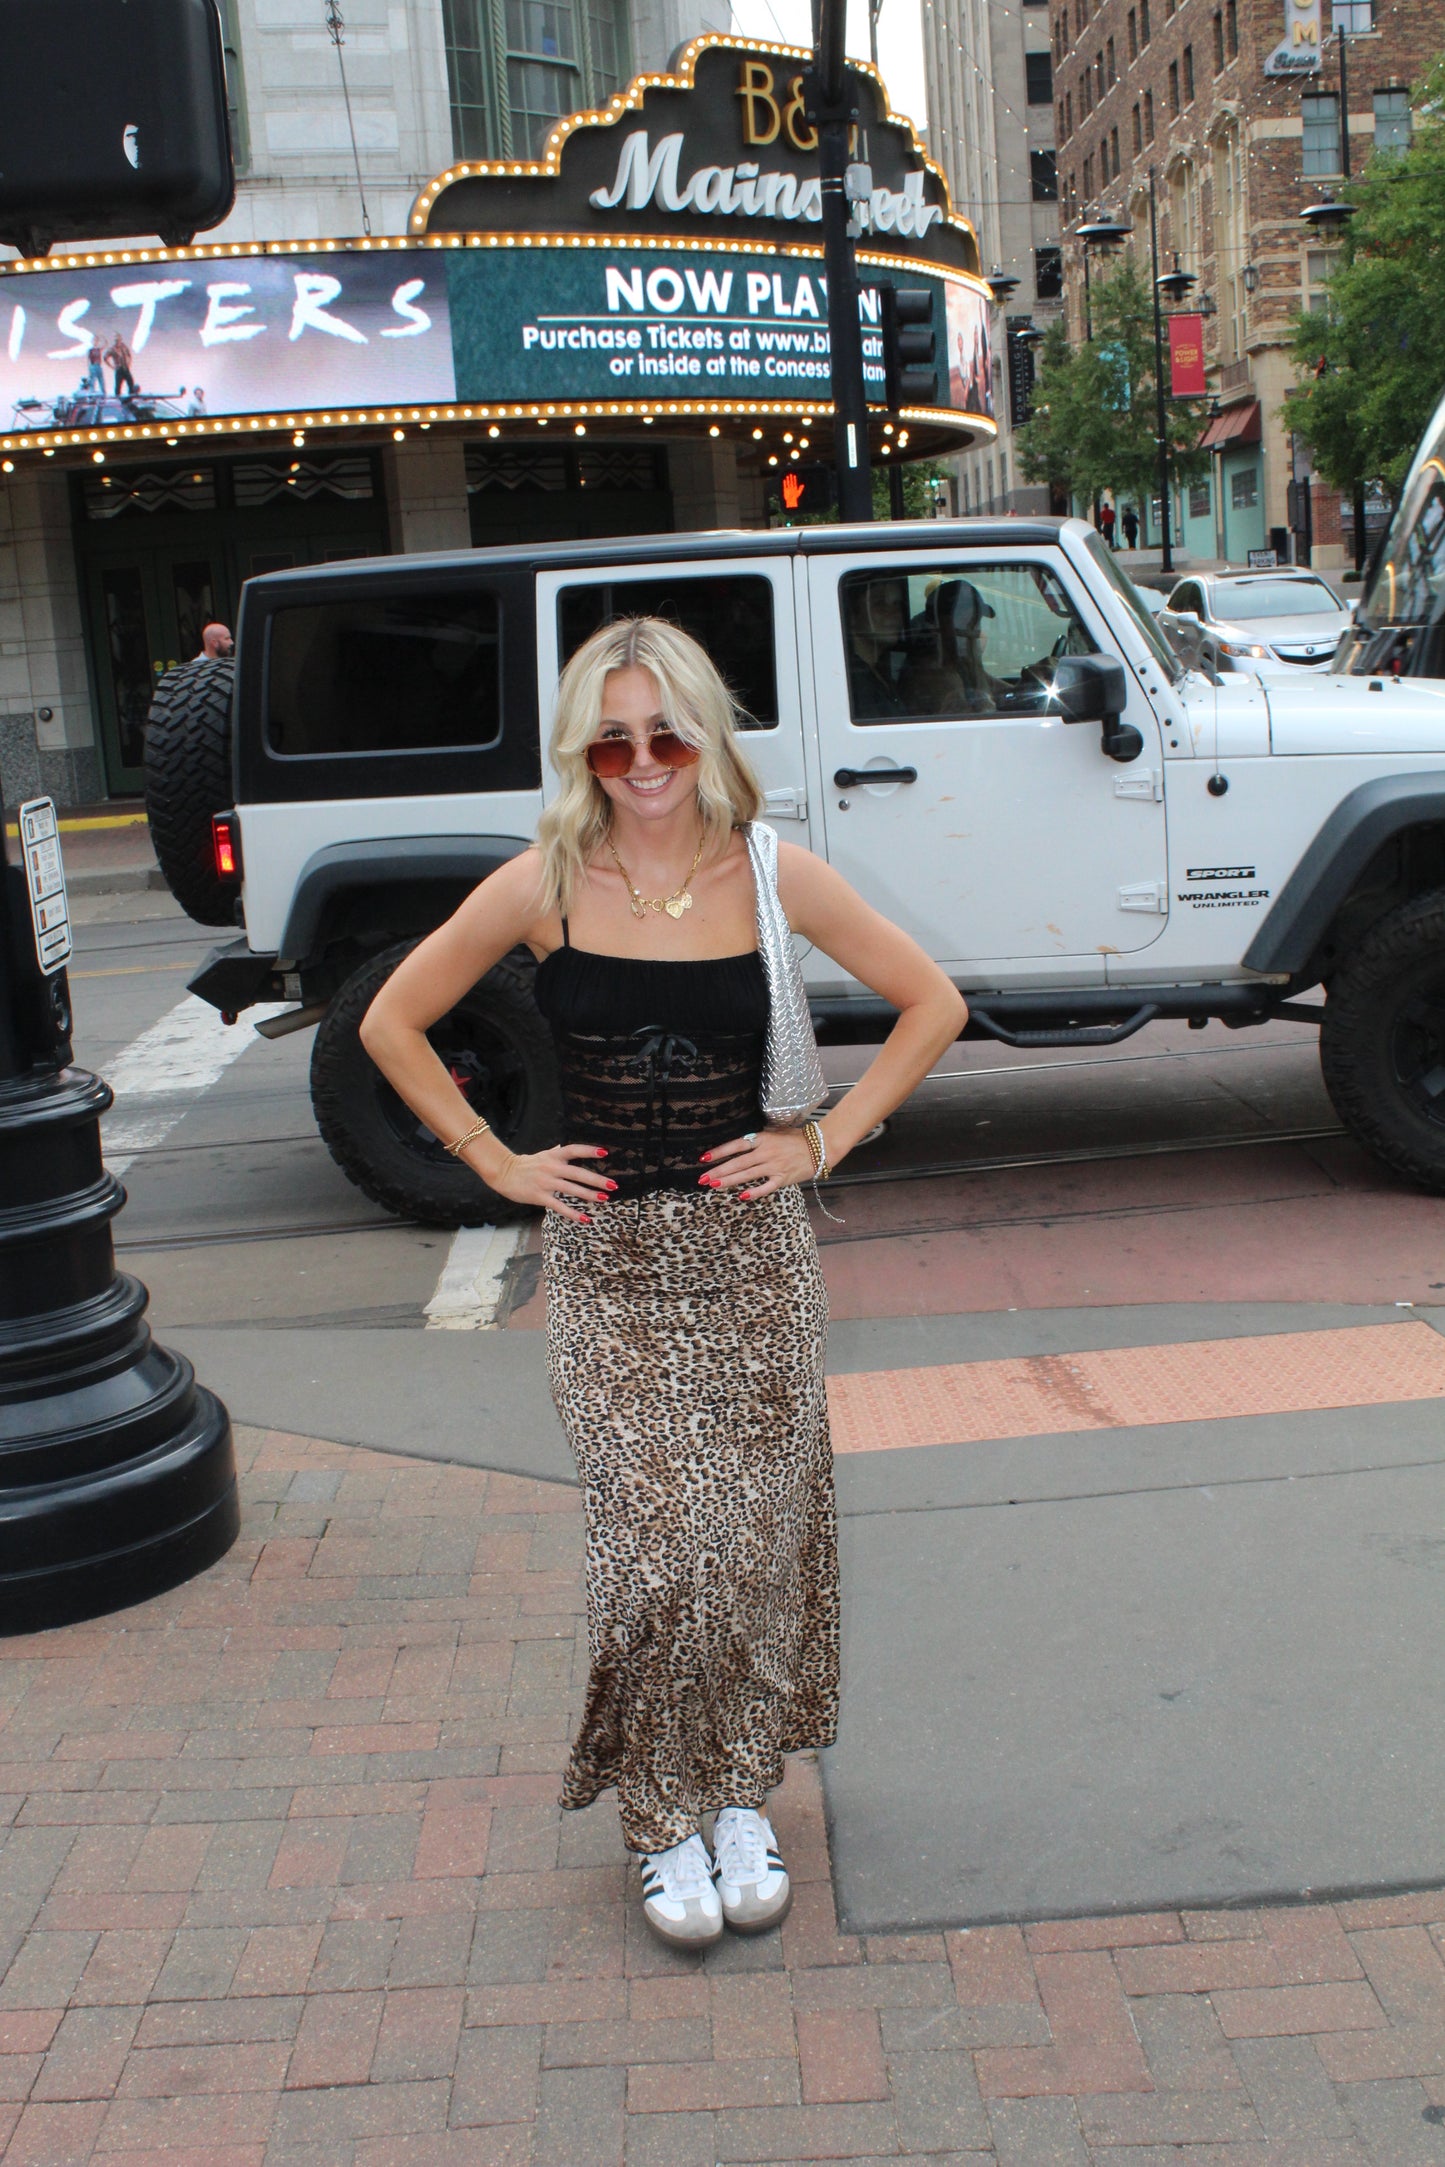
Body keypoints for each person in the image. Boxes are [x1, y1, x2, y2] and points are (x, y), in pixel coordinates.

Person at [359, 618, 966, 1952]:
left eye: (669, 732)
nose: (643, 761)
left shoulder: (770, 872)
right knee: (657, 1555)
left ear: (707, 735)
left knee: (749, 1550)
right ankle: (656, 1814)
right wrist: (492, 1159)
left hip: (749, 1261)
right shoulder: (544, 881)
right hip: (610, 1264)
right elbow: (388, 1020)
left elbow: (933, 1002)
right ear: (581, 747)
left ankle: (735, 1791)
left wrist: (822, 1136)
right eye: (614, 736)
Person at [105, 330, 137, 399]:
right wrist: (112, 366)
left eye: (119, 339)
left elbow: (129, 355)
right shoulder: (112, 349)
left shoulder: (124, 346)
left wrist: (128, 363)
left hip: (125, 368)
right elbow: (105, 357)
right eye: (116, 340)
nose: (118, 341)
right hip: (119, 369)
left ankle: (130, 399)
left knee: (130, 382)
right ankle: (118, 400)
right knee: (118, 385)